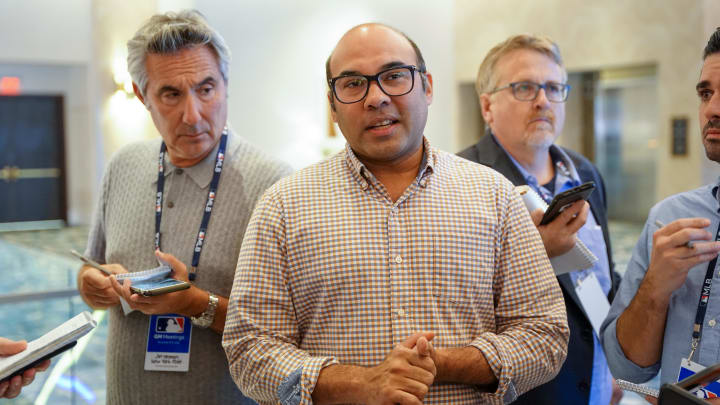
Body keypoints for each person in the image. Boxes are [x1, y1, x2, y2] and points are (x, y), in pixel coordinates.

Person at [223, 23, 568, 405]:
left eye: (394, 76)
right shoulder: (283, 207)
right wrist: (361, 384)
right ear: (333, 105)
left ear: (428, 86)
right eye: (353, 84)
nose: (376, 97)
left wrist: (442, 363)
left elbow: (545, 334)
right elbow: (249, 349)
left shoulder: (494, 195)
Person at [76, 10, 291, 404]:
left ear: (226, 85)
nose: (192, 116)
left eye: (206, 89)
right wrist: (93, 285)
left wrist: (193, 303)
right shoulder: (123, 165)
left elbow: (288, 332)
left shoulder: (275, 184)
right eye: (171, 94)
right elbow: (91, 270)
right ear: (143, 97)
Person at [457, 34, 622, 405]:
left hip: (594, 379)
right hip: (521, 390)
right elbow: (452, 305)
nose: (543, 101)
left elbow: (601, 279)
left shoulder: (583, 172)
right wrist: (534, 254)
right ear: (487, 107)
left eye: (553, 87)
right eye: (525, 88)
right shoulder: (461, 182)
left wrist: (613, 368)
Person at [601, 28, 720, 404]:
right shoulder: (670, 219)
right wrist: (656, 288)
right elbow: (627, 368)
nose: (712, 109)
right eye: (706, 93)